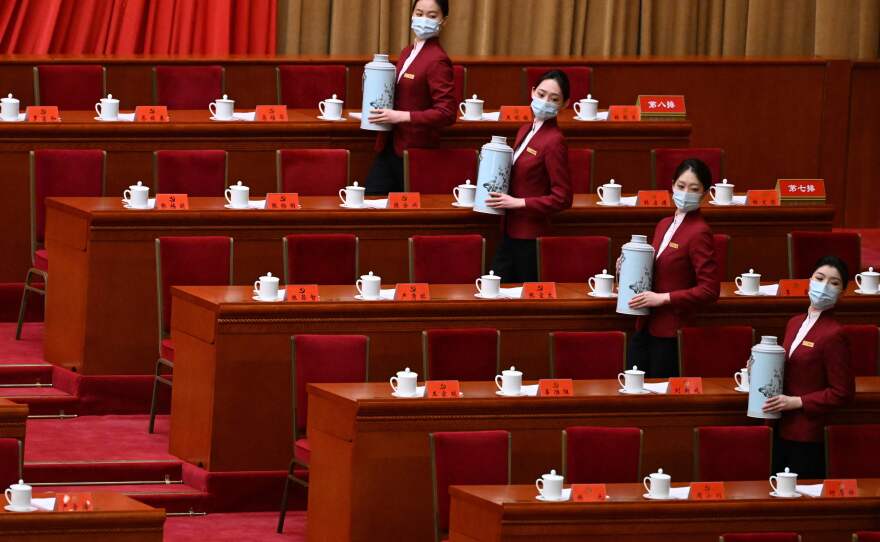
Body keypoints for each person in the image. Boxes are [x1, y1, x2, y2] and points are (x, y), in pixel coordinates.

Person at [625, 158, 720, 378]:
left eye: (694, 189)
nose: (686, 193)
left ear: (705, 193)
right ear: (672, 185)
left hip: (669, 333)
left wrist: (663, 298)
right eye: (681, 186)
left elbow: (709, 290)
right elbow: (659, 268)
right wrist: (628, 265)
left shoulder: (699, 232)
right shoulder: (664, 224)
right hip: (645, 324)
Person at [763, 255, 855, 479]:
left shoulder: (834, 334)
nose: (824, 286)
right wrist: (761, 366)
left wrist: (798, 402)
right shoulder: (794, 322)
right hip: (779, 425)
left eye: (834, 283)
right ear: (809, 281)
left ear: (842, 292)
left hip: (806, 434)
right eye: (820, 278)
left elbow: (842, 392)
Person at [486, 69, 573, 283]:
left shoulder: (554, 141)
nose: (545, 102)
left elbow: (563, 197)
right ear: (532, 92)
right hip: (509, 229)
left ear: (565, 104)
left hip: (530, 238)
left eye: (554, 99)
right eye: (541, 94)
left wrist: (518, 203)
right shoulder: (525, 129)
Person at [364, 0, 457, 195]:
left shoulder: (437, 60)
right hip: (390, 143)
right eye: (419, 13)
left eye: (432, 16)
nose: (424, 20)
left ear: (444, 21)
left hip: (413, 149)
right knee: (370, 202)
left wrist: (400, 116)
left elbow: (446, 113)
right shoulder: (408, 51)